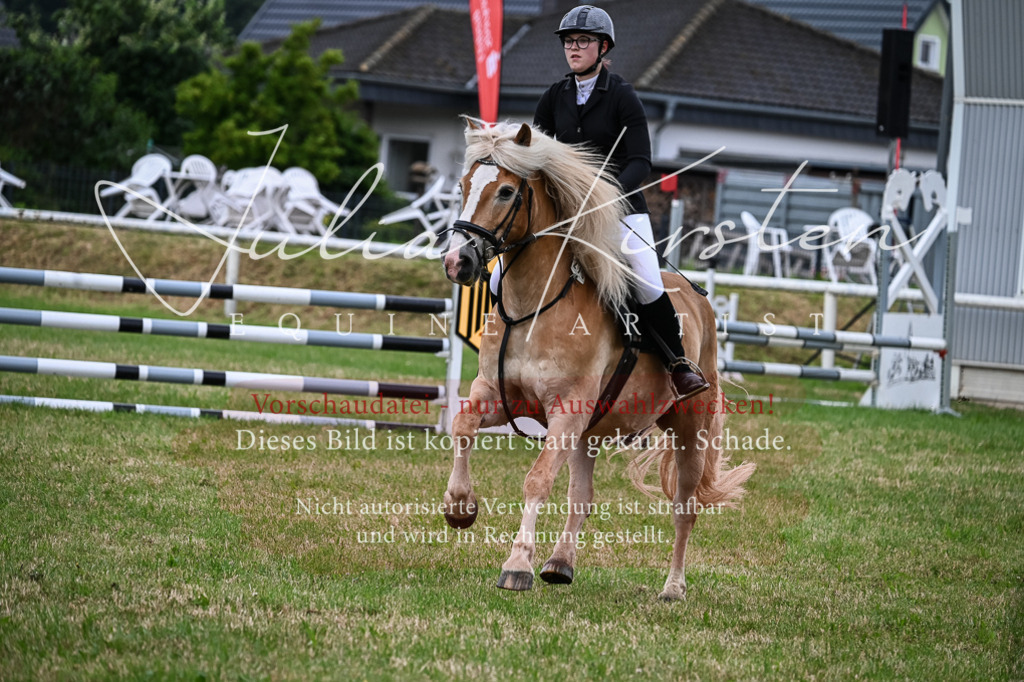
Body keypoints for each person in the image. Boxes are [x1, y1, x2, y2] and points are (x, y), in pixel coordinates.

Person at [532, 4, 709, 401]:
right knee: (498, 274)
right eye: (569, 41)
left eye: (583, 41)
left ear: (602, 47)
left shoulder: (623, 96)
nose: (573, 48)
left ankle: (678, 365)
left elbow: (640, 161)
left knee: (646, 280)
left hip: (620, 209)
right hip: (562, 212)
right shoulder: (553, 97)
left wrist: (603, 196)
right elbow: (537, 155)